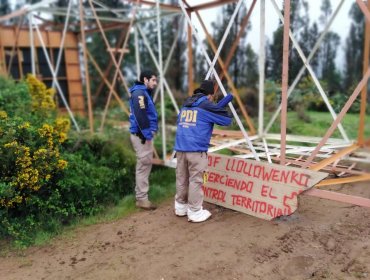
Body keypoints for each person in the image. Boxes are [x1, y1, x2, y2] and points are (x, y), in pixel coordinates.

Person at [174, 80, 233, 222]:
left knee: (182, 178)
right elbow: (226, 120)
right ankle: (194, 212)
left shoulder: (186, 103)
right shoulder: (206, 105)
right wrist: (222, 107)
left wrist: (213, 110)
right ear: (209, 95)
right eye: (212, 97)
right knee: (196, 180)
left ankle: (180, 206)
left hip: (181, 148)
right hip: (196, 150)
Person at [129, 70, 158, 210]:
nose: (155, 83)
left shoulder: (142, 92)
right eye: (153, 80)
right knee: (144, 165)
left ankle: (141, 197)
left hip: (143, 135)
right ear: (145, 79)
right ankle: (142, 199)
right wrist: (147, 134)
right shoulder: (139, 93)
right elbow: (140, 115)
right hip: (142, 136)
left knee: (144, 165)